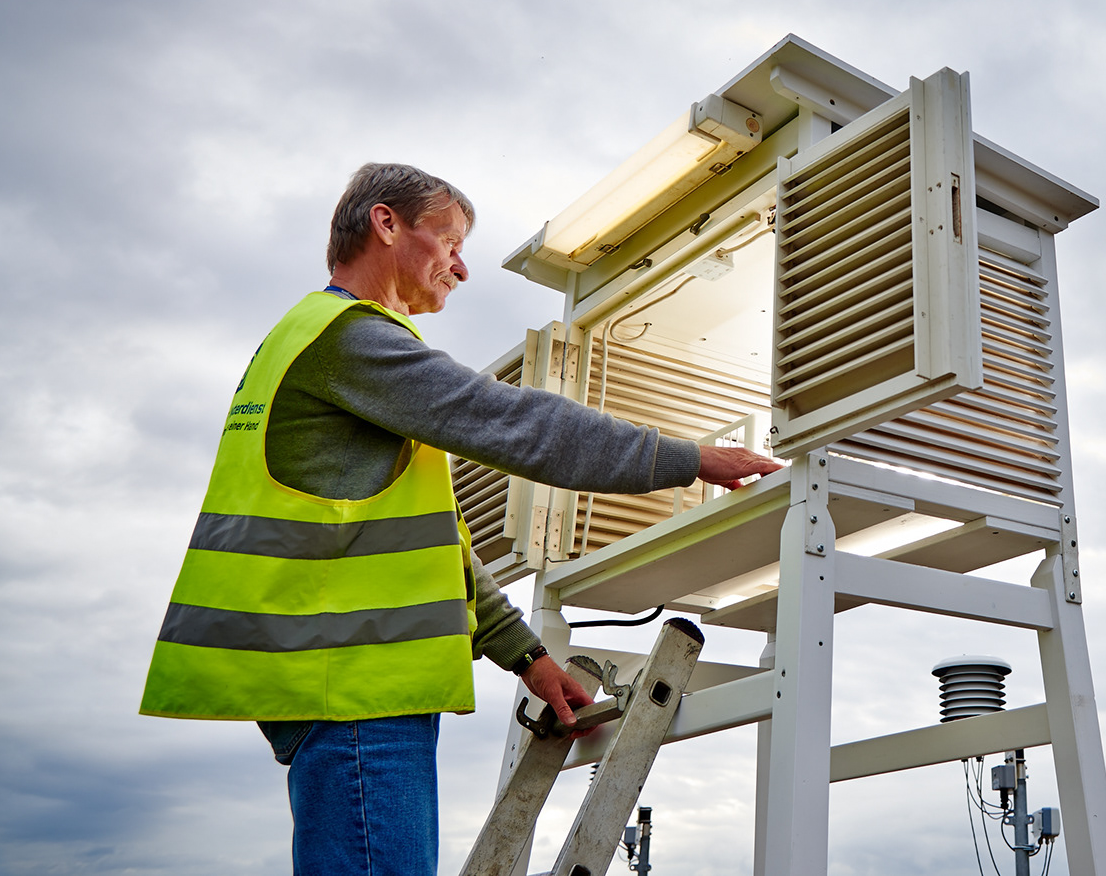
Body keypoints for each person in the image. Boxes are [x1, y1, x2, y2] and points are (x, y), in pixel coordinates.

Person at [140, 163, 780, 876]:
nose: (462, 267)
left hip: (349, 689)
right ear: (386, 225)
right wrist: (689, 458)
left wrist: (529, 657)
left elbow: (435, 546)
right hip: (355, 690)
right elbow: (517, 425)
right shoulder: (349, 339)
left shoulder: (318, 341)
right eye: (448, 240)